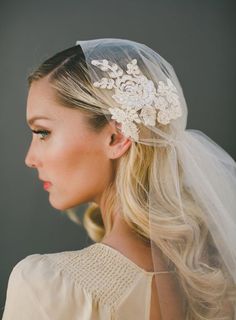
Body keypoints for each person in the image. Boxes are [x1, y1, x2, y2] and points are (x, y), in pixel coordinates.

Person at [2, 38, 236, 320]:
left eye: (42, 132)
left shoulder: (47, 285)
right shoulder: (214, 283)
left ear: (117, 137)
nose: (30, 158)